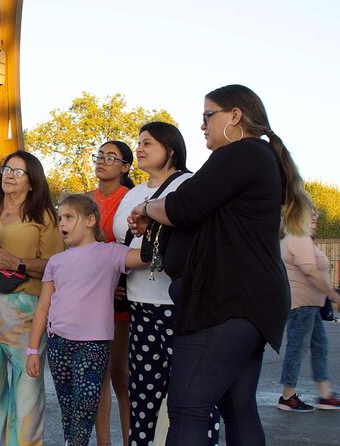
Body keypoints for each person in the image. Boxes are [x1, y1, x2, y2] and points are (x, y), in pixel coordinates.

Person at [128, 85, 314, 445]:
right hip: (245, 302)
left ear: (235, 116)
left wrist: (146, 208)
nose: (201, 125)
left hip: (225, 303)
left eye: (207, 116)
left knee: (187, 409)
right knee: (237, 406)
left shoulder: (240, 153)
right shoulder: (255, 157)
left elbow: (182, 207)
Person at [113, 122, 218, 446]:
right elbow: (120, 242)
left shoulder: (190, 185)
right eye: (139, 142)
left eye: (149, 143)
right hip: (140, 303)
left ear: (171, 149)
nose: (140, 148)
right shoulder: (133, 192)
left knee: (191, 397)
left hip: (181, 307)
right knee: (142, 393)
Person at [0, 150, 65, 446]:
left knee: (27, 385)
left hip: (24, 305)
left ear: (32, 182)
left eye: (18, 171)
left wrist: (16, 262)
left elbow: (58, 264)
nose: (9, 174)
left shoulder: (43, 217)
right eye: (6, 169)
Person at [26, 194, 144, 446]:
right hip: (58, 343)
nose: (62, 224)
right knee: (68, 411)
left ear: (91, 220)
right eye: (60, 219)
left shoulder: (110, 253)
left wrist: (149, 224)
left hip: (93, 344)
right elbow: (43, 307)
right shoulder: (56, 261)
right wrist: (33, 349)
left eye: (69, 217)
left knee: (85, 408)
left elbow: (144, 257)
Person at [89, 141, 135, 446]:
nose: (102, 162)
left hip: (121, 294)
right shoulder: (85, 201)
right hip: (91, 294)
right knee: (98, 375)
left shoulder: (132, 199)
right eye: (99, 156)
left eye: (111, 157)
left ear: (126, 167)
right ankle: (103, 442)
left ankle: (133, 439)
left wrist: (125, 284)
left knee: (120, 373)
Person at [277, 210, 340, 412]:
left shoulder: (300, 238)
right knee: (297, 348)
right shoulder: (298, 237)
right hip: (301, 305)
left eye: (316, 214)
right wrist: (333, 294)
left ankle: (324, 394)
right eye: (309, 213)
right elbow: (310, 270)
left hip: (309, 306)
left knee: (320, 345)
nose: (314, 217)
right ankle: (287, 396)